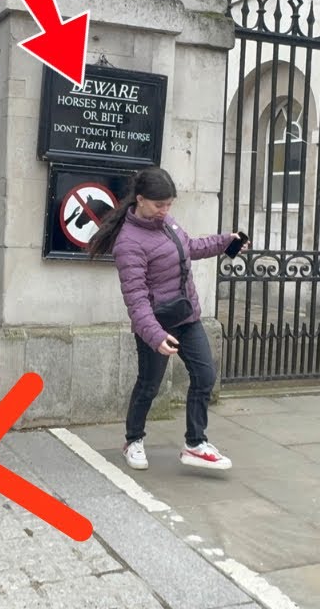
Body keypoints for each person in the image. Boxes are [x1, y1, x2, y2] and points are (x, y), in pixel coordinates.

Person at [88, 166, 245, 472]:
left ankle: (195, 444)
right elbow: (136, 299)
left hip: (186, 316)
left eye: (169, 204)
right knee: (149, 385)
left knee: (205, 376)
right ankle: (133, 440)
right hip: (157, 325)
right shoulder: (129, 243)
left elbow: (191, 247)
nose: (165, 210)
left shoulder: (167, 223)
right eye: (159, 204)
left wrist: (226, 242)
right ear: (140, 199)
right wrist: (155, 336)